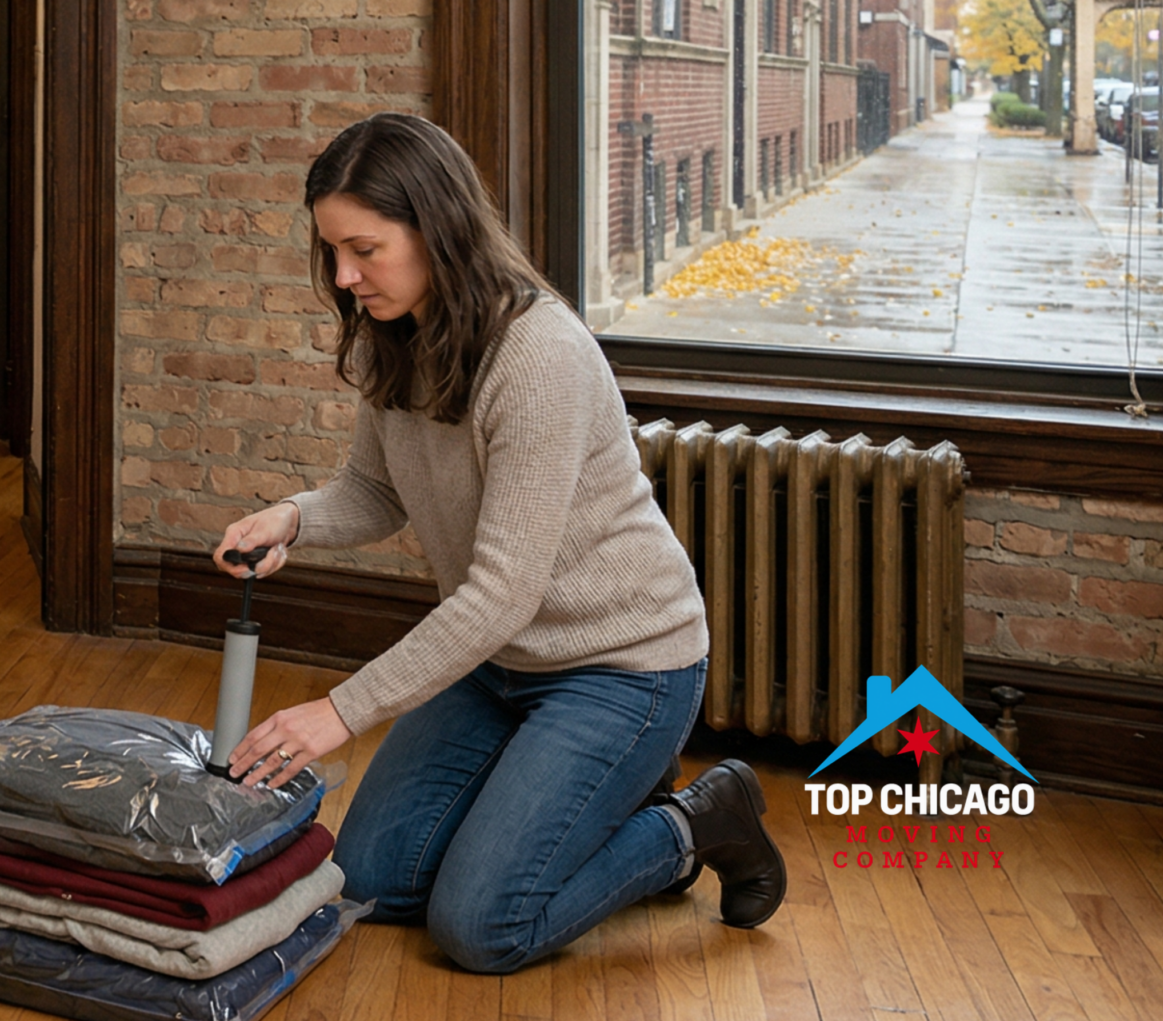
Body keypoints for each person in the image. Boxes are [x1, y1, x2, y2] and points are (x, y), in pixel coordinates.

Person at [208, 112, 786, 974]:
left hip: (621, 668)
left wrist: (338, 712)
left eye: (364, 249)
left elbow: (502, 592)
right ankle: (573, 817)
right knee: (364, 878)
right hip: (497, 664)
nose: (344, 275)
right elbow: (374, 492)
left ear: (435, 228)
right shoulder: (389, 336)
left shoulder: (538, 356)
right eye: (332, 251)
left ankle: (695, 821)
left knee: (482, 927)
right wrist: (292, 517)